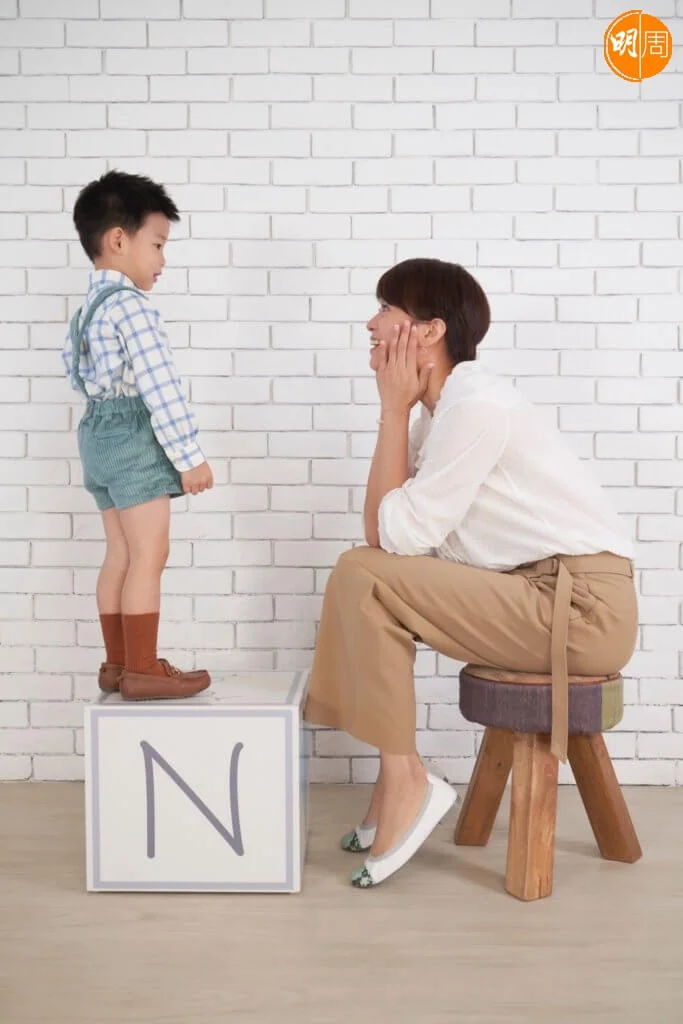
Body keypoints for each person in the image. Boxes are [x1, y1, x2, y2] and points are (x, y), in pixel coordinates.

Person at [304, 258, 637, 889]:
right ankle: (396, 780)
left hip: (580, 608)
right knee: (364, 574)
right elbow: (385, 534)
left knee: (362, 573)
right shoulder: (443, 413)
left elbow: (394, 536)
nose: (371, 323)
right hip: (536, 594)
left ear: (429, 331)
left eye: (386, 309)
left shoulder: (475, 407)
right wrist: (397, 412)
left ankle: (407, 781)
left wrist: (391, 412)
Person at [62, 170, 214, 701]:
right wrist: (189, 457)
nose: (162, 260)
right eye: (157, 244)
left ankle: (118, 665)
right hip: (131, 438)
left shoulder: (86, 312)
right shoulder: (131, 307)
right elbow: (159, 386)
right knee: (150, 554)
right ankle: (145, 668)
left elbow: (76, 374)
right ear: (118, 240)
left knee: (120, 555)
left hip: (96, 438)